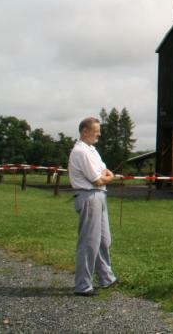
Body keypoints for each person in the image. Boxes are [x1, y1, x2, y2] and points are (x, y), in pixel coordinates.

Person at [67, 117, 117, 296]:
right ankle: (83, 285)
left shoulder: (92, 150)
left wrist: (106, 176)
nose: (99, 134)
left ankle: (106, 278)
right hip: (89, 196)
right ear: (85, 131)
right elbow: (97, 179)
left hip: (99, 196)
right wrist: (107, 177)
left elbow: (105, 171)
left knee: (104, 239)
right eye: (96, 131)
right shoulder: (81, 152)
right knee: (89, 242)